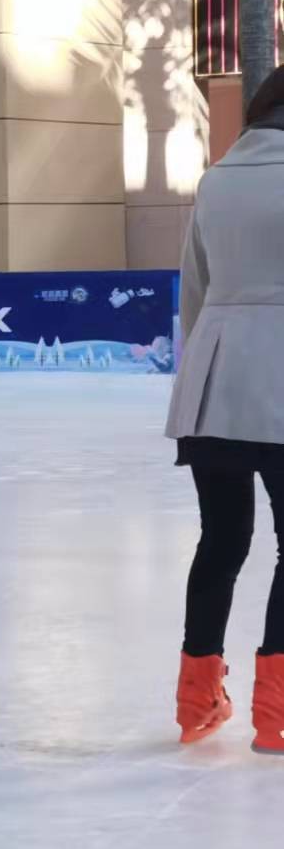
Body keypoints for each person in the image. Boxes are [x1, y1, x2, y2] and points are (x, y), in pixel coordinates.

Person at [168, 63, 284, 753]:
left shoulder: (217, 180)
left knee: (221, 540)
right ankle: (276, 712)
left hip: (212, 389)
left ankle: (195, 699)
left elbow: (195, 291)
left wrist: (200, 374)